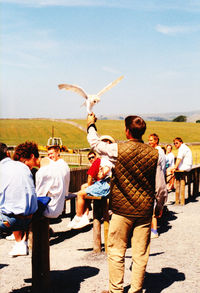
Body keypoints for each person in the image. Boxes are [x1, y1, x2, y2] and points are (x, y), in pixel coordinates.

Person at [86, 113, 167, 293]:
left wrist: (91, 124)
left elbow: (94, 144)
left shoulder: (117, 149)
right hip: (144, 212)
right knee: (140, 255)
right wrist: (159, 205)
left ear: (127, 131)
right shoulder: (156, 154)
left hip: (121, 210)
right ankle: (136, 290)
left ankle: (116, 290)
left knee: (116, 252)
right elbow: (161, 186)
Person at [68, 135, 115, 230]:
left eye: (106, 142)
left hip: (105, 184)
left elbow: (104, 171)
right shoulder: (105, 158)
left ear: (109, 144)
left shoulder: (107, 159)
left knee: (80, 194)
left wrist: (102, 173)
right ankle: (83, 216)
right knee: (84, 189)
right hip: (103, 183)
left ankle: (79, 217)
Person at [0, 142, 38, 257]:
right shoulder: (22, 166)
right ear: (7, 153)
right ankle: (20, 243)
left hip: (9, 221)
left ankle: (20, 243)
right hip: (30, 216)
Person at [36, 151, 70, 219]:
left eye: (51, 153)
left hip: (52, 209)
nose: (50, 156)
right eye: (49, 154)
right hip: (60, 205)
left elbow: (39, 195)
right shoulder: (58, 166)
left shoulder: (42, 172)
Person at [148, 133, 166, 239]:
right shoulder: (160, 151)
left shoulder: (158, 152)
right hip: (160, 178)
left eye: (151, 140)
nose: (149, 142)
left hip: (157, 179)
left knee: (153, 206)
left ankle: (154, 230)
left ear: (156, 141)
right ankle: (153, 229)